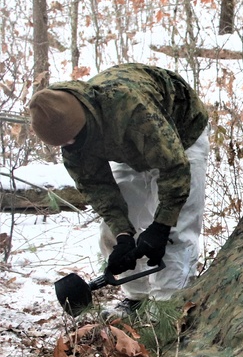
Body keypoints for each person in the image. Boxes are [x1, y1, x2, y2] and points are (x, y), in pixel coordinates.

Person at [27, 63, 210, 317]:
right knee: (112, 234)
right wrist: (124, 235)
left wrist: (161, 226)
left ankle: (167, 310)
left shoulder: (129, 107)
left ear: (83, 120)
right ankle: (136, 300)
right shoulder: (73, 142)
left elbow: (174, 168)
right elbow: (99, 189)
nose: (69, 146)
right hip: (128, 148)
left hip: (181, 133)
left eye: (72, 138)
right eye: (64, 143)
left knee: (174, 233)